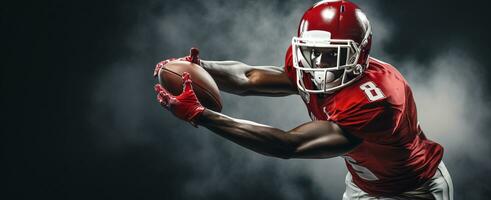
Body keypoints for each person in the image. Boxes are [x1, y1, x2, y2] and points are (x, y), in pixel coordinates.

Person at [153, 0, 453, 199]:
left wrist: (201, 115)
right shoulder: (307, 64)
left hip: (413, 190)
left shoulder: (379, 101)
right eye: (313, 53)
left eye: (331, 55)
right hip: (365, 185)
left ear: (360, 53)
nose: (319, 65)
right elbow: (248, 77)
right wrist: (200, 68)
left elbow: (288, 144)